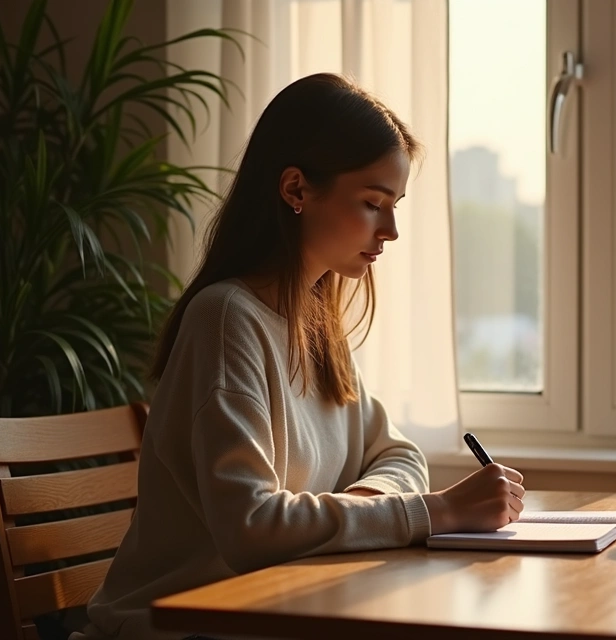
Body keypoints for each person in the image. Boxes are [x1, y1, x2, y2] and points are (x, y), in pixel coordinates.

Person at [74, 73, 525, 640]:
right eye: (372, 203)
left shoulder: (317, 325)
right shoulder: (226, 319)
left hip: (276, 613)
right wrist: (435, 513)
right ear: (295, 190)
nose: (390, 230)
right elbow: (252, 527)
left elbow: (399, 455)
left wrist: (354, 507)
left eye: (394, 206)